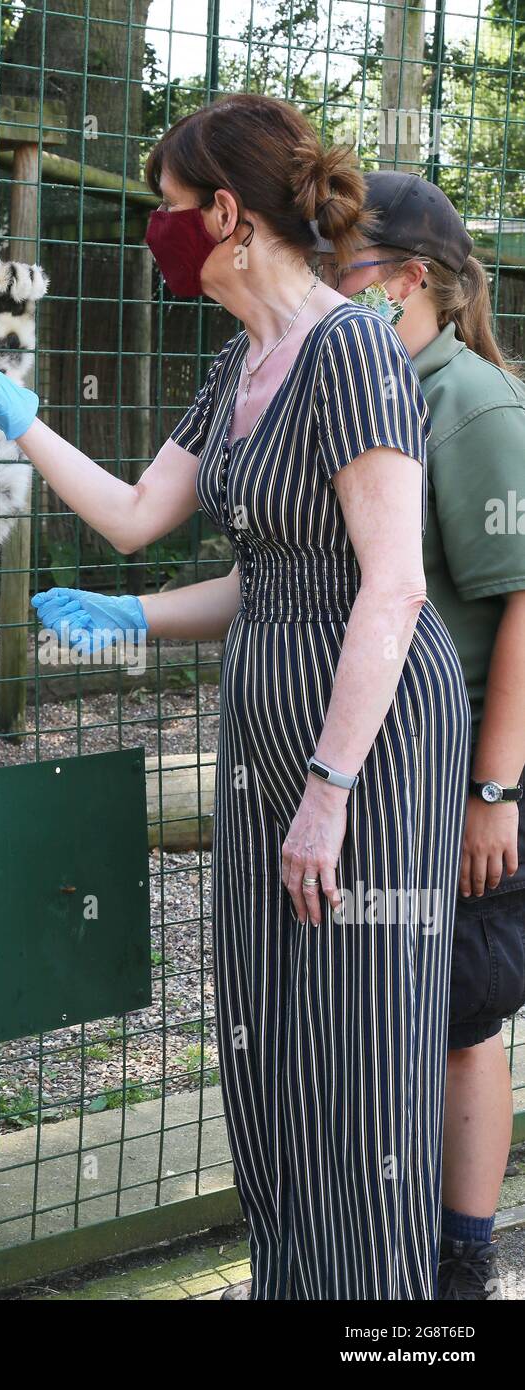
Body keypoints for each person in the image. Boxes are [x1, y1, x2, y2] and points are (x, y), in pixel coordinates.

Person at [0, 94, 471, 1300]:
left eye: (166, 210)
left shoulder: (352, 349)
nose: (153, 233)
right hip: (261, 724)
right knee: (264, 1039)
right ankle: (293, 1284)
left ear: (225, 214)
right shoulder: (238, 360)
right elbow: (135, 521)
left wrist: (328, 790)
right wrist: (14, 416)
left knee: (359, 1051)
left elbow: (387, 587)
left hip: (366, 742)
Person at [324, 173, 525, 1300]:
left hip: (459, 778)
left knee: (456, 1013)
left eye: (341, 271)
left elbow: (520, 609)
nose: (321, 291)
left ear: (410, 279)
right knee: (387, 1005)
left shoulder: (473, 405)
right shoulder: (372, 388)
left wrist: (490, 790)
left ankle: (461, 1255)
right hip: (379, 771)